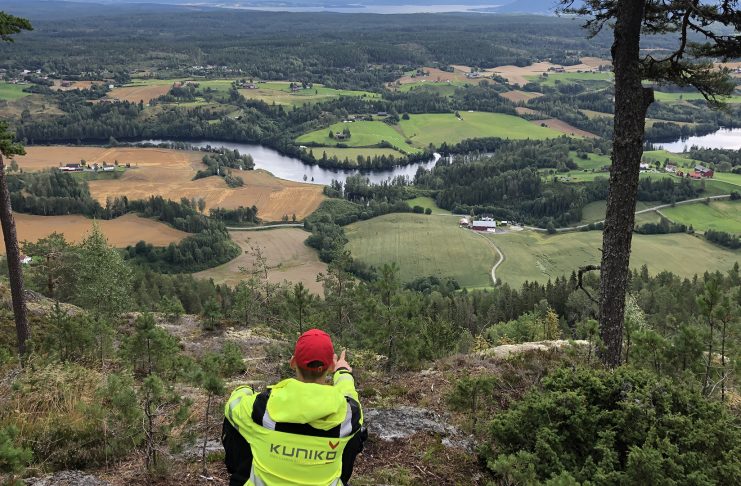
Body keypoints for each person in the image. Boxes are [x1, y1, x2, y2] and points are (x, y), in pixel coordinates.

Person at [223, 329, 365, 486]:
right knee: (356, 434)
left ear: (293, 362)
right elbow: (349, 393)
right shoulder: (349, 414)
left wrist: (244, 389)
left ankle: (241, 474)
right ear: (331, 366)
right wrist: (342, 371)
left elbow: (232, 406)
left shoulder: (261, 408)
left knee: (238, 424)